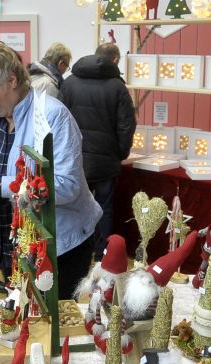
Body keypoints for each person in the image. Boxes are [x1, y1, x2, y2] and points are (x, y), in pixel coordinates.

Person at [0, 40, 102, 300]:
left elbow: (67, 186)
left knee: (50, 327)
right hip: (12, 240)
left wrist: (2, 186)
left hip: (58, 245)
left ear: (12, 80)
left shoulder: (52, 115)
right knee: (22, 318)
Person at [60, 43, 136, 260]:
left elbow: (57, 120)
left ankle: (75, 251)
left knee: (74, 206)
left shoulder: (69, 83)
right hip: (106, 161)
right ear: (114, 60)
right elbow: (126, 125)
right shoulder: (117, 87)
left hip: (74, 159)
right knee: (104, 208)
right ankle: (102, 254)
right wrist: (120, 152)